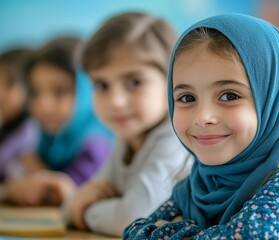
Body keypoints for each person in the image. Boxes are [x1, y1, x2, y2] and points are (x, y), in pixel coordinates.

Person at [123, 13, 279, 239]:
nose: (202, 117)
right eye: (187, 98)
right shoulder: (198, 185)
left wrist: (165, 232)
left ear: (272, 100)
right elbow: (134, 231)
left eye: (228, 96)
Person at [63, 12, 191, 237]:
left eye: (134, 82)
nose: (115, 101)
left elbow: (132, 218)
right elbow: (71, 204)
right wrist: (76, 205)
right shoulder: (126, 140)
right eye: (102, 85)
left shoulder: (174, 139)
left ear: (173, 80)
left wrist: (83, 212)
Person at [1, 37, 113, 206]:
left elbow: (63, 195)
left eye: (60, 91)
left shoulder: (96, 145)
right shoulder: (43, 141)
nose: (44, 105)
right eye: (35, 92)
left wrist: (17, 187)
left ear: (87, 90)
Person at [0, 48, 38, 182]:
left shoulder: (29, 133)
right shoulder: (8, 128)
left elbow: (36, 177)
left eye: (10, 83)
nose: (1, 92)